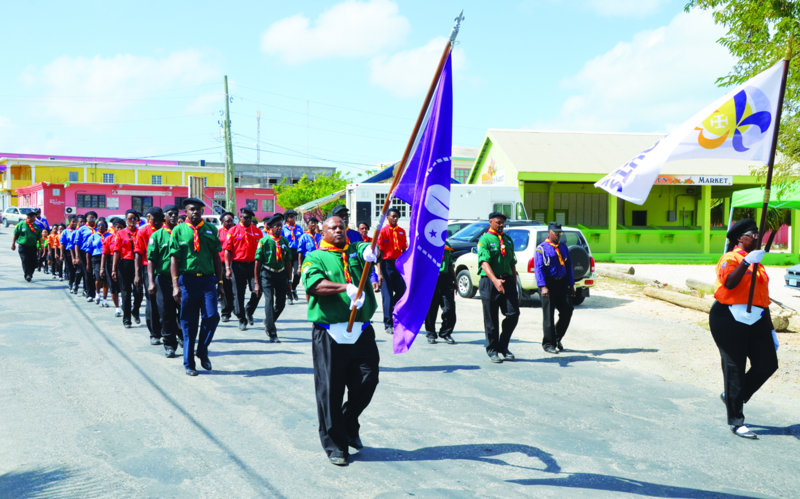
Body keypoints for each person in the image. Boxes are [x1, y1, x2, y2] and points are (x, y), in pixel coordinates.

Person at [300, 215, 380, 466]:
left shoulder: (354, 250)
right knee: (330, 390)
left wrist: (370, 250)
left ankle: (348, 422)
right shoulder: (315, 257)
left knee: (368, 379)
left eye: (341, 227)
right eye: (333, 227)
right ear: (323, 232)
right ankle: (335, 445)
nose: (338, 230)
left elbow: (367, 247)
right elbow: (314, 285)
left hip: (361, 330)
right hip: (330, 332)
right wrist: (345, 287)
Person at [709, 218, 779, 440]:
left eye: (759, 234)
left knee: (768, 363)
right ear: (740, 238)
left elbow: (761, 297)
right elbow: (730, 283)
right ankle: (736, 421)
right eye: (753, 234)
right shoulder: (730, 258)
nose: (757, 238)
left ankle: (733, 396)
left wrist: (770, 329)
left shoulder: (759, 262)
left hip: (757, 317)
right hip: (728, 317)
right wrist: (747, 261)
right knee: (735, 367)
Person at [170, 197, 223, 376]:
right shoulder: (178, 230)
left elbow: (216, 257)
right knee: (189, 324)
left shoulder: (210, 229)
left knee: (212, 316)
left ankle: (202, 349)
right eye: (192, 209)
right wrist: (175, 285)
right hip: (188, 281)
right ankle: (189, 363)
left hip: (207, 280)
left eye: (198, 209)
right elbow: (174, 259)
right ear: (186, 211)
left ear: (202, 211)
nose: (195, 212)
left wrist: (220, 283)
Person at [477, 211, 519, 363]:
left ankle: (503, 346)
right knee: (491, 319)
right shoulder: (485, 239)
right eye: (498, 222)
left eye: (503, 223)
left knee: (513, 314)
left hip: (507, 280)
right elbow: (484, 262)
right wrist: (495, 280)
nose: (501, 225)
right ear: (490, 222)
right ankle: (492, 350)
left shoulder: (507, 239)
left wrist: (513, 281)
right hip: (489, 282)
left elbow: (512, 262)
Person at [533, 222, 575, 354]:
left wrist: (571, 284)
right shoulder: (541, 248)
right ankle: (548, 343)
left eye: (559, 233)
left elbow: (568, 266)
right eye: (555, 232)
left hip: (562, 283)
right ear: (549, 232)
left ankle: (556, 338)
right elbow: (538, 269)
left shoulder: (563, 247)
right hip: (548, 284)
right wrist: (543, 286)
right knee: (548, 315)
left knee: (567, 310)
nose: (558, 235)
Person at [147, 204, 182, 358]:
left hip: (182, 278)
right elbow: (151, 260)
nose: (173, 216)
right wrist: (151, 281)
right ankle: (169, 344)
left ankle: (183, 337)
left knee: (184, 311)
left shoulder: (184, 233)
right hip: (163, 279)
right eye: (170, 214)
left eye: (176, 214)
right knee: (166, 313)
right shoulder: (157, 236)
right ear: (164, 217)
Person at [224, 208, 263, 330]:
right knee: (238, 294)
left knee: (258, 290)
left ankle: (249, 310)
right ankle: (241, 318)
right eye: (245, 217)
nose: (247, 220)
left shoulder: (257, 231)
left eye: (250, 218)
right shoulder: (233, 231)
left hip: (253, 265)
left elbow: (262, 250)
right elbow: (227, 251)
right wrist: (227, 268)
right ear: (240, 217)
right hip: (238, 265)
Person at [253, 214, 290, 343]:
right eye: (276, 226)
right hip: (267, 274)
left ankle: (269, 320)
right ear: (271, 227)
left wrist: (289, 280)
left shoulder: (284, 242)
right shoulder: (264, 241)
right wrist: (256, 282)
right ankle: (272, 332)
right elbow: (257, 262)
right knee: (269, 301)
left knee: (281, 303)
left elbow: (288, 262)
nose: (279, 228)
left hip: (281, 274)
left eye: (281, 226)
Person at [135, 207, 165, 346]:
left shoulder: (167, 230)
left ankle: (168, 330)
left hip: (165, 269)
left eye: (159, 219)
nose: (156, 222)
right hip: (148, 269)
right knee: (151, 301)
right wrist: (137, 274)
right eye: (153, 219)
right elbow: (138, 253)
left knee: (166, 301)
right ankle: (154, 333)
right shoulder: (143, 231)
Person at [377, 207, 408, 335]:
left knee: (403, 290)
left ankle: (392, 307)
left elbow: (404, 250)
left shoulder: (401, 231)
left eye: (397, 216)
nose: (395, 218)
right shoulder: (383, 232)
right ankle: (388, 323)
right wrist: (379, 273)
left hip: (398, 264)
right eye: (393, 216)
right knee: (387, 295)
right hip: (386, 265)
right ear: (388, 217)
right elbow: (379, 253)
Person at [113, 209, 144, 328]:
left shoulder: (140, 232)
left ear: (137, 220)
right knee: (126, 293)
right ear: (126, 220)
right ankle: (127, 319)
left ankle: (135, 310)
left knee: (139, 292)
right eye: (129, 218)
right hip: (125, 264)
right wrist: (114, 269)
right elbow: (116, 251)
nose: (132, 220)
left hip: (138, 264)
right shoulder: (121, 233)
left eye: (134, 218)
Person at [425, 244, 456, 344]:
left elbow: (450, 264)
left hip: (445, 279)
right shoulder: (428, 243)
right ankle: (430, 333)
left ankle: (445, 333)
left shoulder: (447, 245)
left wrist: (455, 280)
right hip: (431, 279)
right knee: (431, 309)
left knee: (449, 308)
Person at [85, 220, 112, 307]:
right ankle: (97, 293)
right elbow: (88, 250)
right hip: (96, 258)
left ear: (106, 226)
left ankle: (105, 299)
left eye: (102, 225)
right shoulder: (92, 236)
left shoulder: (110, 236)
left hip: (107, 258)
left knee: (106, 280)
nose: (100, 227)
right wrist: (88, 263)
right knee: (98, 278)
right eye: (99, 225)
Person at [101, 218, 125, 317]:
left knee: (123, 286)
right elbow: (104, 254)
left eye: (121, 227)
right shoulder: (109, 239)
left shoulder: (126, 238)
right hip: (110, 263)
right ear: (114, 228)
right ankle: (117, 308)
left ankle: (124, 302)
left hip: (123, 262)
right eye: (117, 227)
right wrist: (102, 268)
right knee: (113, 287)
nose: (119, 229)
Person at [11, 210, 42, 281]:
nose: (35, 218)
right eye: (34, 217)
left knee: (33, 262)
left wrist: (41, 245)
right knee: (25, 260)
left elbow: (39, 237)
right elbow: (15, 234)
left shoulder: (36, 226)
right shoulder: (21, 224)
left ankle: (30, 273)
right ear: (29, 217)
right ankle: (28, 274)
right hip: (23, 246)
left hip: (33, 247)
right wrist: (13, 244)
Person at [75, 211, 99, 301]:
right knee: (87, 272)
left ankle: (96, 292)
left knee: (96, 273)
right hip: (84, 253)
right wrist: (77, 256)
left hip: (96, 252)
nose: (91, 219)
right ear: (86, 219)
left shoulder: (99, 228)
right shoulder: (82, 229)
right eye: (90, 218)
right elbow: (77, 243)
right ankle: (89, 293)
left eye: (93, 218)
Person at [282, 209, 304, 304]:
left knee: (297, 273)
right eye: (291, 216)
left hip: (297, 252)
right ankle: (289, 295)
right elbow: (281, 240)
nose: (293, 218)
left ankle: (293, 288)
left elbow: (302, 240)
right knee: (287, 275)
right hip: (287, 252)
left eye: (294, 216)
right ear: (287, 218)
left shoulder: (299, 228)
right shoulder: (283, 228)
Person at [217, 212, 236, 322]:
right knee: (224, 287)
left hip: (235, 263)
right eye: (227, 221)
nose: (229, 223)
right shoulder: (218, 233)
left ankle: (234, 308)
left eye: (231, 221)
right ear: (222, 222)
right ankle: (225, 312)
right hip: (222, 264)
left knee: (234, 288)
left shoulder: (236, 231)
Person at [61, 215, 79, 291]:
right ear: (69, 222)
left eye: (76, 222)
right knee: (71, 268)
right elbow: (62, 244)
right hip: (68, 252)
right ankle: (71, 283)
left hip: (78, 251)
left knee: (78, 270)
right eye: (73, 222)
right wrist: (61, 255)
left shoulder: (78, 231)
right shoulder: (65, 231)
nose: (75, 223)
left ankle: (76, 283)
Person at [71, 215, 87, 294]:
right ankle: (76, 284)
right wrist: (75, 257)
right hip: (78, 252)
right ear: (77, 223)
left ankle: (85, 288)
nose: (82, 223)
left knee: (86, 272)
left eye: (84, 222)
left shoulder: (87, 231)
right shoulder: (75, 232)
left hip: (86, 252)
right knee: (79, 271)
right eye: (81, 222)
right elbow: (72, 246)